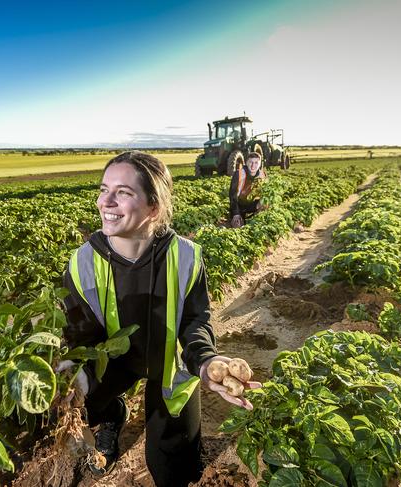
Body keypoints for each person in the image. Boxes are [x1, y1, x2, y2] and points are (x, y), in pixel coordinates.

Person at [62, 151, 261, 487]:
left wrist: (205, 361)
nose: (105, 202)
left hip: (169, 364)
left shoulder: (185, 256)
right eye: (103, 189)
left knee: (172, 465)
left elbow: (195, 322)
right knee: (78, 407)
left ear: (153, 208)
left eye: (123, 192)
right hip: (113, 360)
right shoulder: (81, 262)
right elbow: (81, 334)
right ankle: (113, 413)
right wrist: (72, 374)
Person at [229, 151, 268, 228]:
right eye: (251, 162)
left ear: (260, 164)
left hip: (253, 205)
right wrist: (236, 213)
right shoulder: (239, 174)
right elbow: (232, 196)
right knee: (237, 226)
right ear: (246, 162)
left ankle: (256, 219)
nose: (253, 165)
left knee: (265, 205)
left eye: (256, 162)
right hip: (239, 206)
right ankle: (239, 218)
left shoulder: (263, 175)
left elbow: (266, 194)